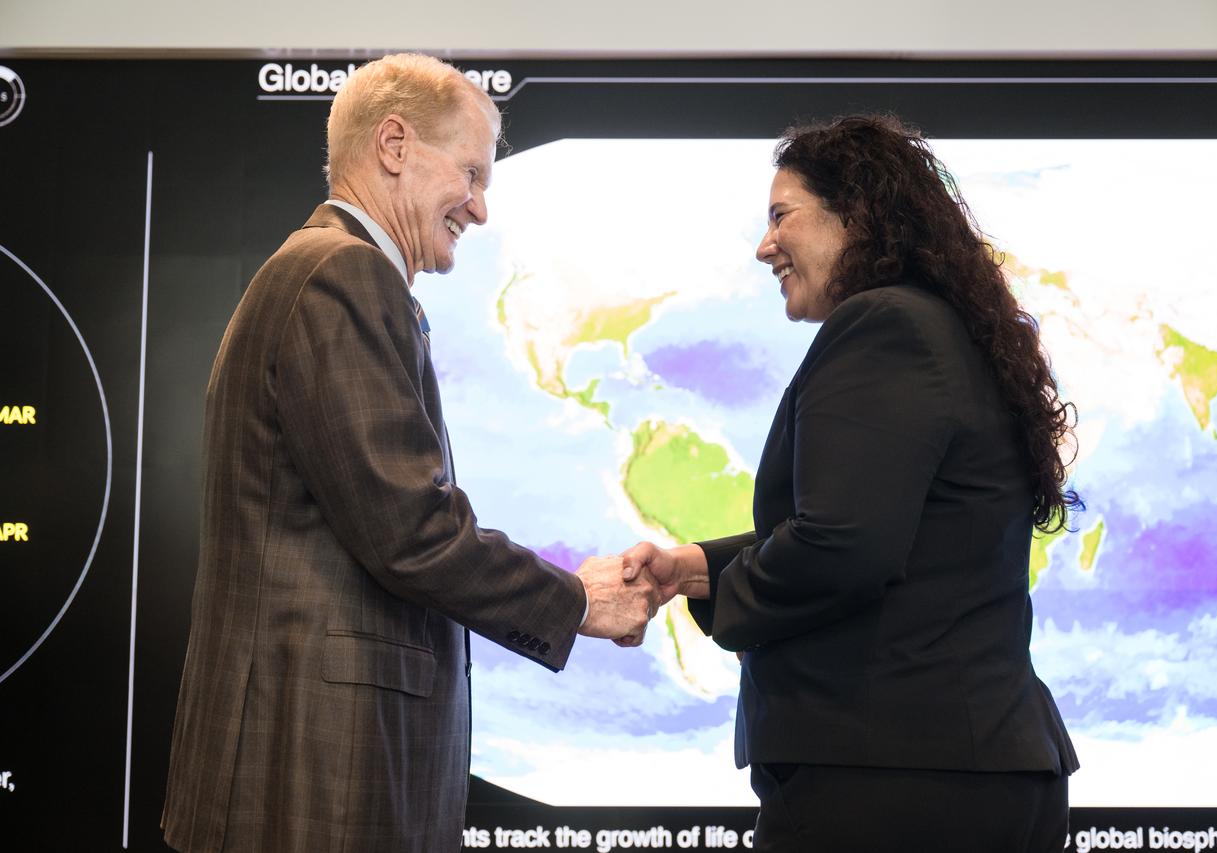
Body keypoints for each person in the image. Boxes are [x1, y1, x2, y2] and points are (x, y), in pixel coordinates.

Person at [162, 54, 656, 853]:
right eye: (471, 172)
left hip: (307, 765)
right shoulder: (341, 276)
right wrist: (577, 602)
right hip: (315, 775)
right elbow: (411, 531)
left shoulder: (328, 271)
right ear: (394, 144)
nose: (482, 207)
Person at [621, 114, 1081, 852]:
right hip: (959, 771)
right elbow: (894, 523)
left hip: (893, 780)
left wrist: (730, 600)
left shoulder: (882, 325)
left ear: (856, 214)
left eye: (781, 215)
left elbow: (844, 542)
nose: (765, 244)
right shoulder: (941, 327)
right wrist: (696, 570)